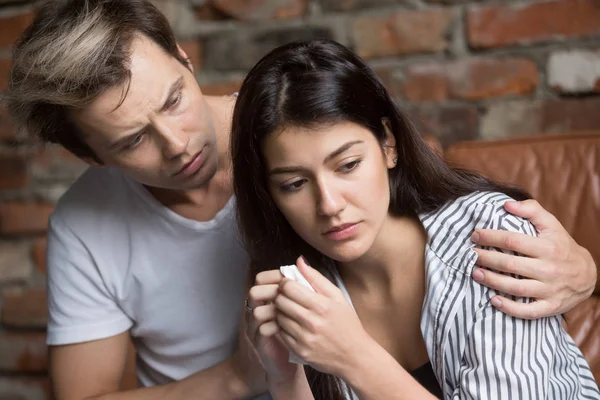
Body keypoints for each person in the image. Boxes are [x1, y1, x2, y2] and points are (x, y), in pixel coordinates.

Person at [3, 0, 596, 398]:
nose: (177, 142)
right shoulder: (304, 273)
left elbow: (430, 201)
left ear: (185, 59)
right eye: (132, 139)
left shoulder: (294, 120)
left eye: (174, 99)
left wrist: (586, 270)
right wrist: (253, 375)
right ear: (92, 156)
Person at [231, 39, 600, 399]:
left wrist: (355, 357)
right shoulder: (303, 289)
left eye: (348, 165)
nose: (328, 204)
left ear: (388, 144)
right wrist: (284, 380)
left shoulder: (491, 241)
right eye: (294, 184)